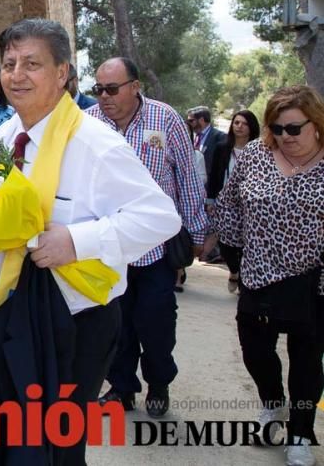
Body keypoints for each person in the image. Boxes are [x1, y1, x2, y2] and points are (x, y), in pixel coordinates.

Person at [0, 19, 180, 464]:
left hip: (75, 320)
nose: (16, 75)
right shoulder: (6, 135)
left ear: (62, 73)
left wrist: (76, 239)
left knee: (55, 447)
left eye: (32, 64)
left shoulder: (94, 142)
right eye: (9, 63)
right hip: (8, 308)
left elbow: (160, 217)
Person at [206, 85, 324, 466]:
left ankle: (302, 434)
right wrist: (235, 256)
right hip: (258, 273)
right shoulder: (257, 155)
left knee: (306, 360)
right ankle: (273, 405)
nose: (284, 137)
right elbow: (229, 206)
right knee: (256, 352)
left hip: (314, 280)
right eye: (276, 128)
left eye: (294, 129)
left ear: (316, 124)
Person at [89, 57, 209, 417]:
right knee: (115, 324)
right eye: (99, 90)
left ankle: (159, 383)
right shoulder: (90, 123)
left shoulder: (165, 118)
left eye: (112, 89)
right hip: (109, 246)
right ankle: (121, 387)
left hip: (156, 248)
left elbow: (186, 176)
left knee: (156, 322)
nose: (104, 97)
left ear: (135, 86)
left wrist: (197, 230)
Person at [206, 109, 260, 293]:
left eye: (244, 123)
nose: (239, 126)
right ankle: (235, 270)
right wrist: (210, 199)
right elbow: (214, 175)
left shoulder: (260, 149)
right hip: (225, 201)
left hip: (250, 202)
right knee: (226, 240)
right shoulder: (223, 147)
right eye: (236, 122)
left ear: (251, 127)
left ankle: (244, 279)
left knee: (247, 240)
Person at [188, 106, 227, 180]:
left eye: (191, 121)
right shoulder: (190, 136)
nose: (189, 124)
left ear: (202, 120)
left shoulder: (220, 137)